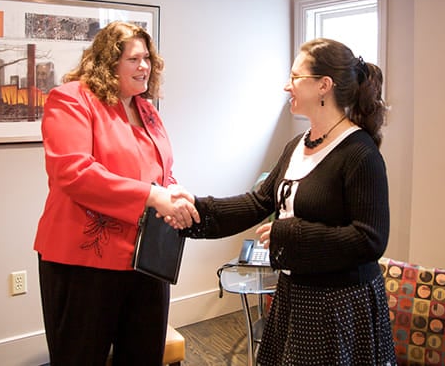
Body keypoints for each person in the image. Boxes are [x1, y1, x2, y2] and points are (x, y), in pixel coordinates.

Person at [175, 38, 396, 365]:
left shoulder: (360, 153)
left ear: (324, 85)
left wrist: (291, 235)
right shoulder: (298, 145)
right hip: (297, 294)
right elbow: (257, 202)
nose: (286, 86)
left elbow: (370, 240)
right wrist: (194, 209)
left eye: (295, 77)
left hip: (338, 306)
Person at [33, 21, 199, 366]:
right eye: (134, 59)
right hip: (83, 262)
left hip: (145, 257)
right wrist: (153, 196)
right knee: (80, 357)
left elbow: (156, 169)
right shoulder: (72, 99)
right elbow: (74, 172)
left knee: (143, 355)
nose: (144, 67)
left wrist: (171, 188)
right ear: (109, 63)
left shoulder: (145, 108)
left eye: (147, 59)